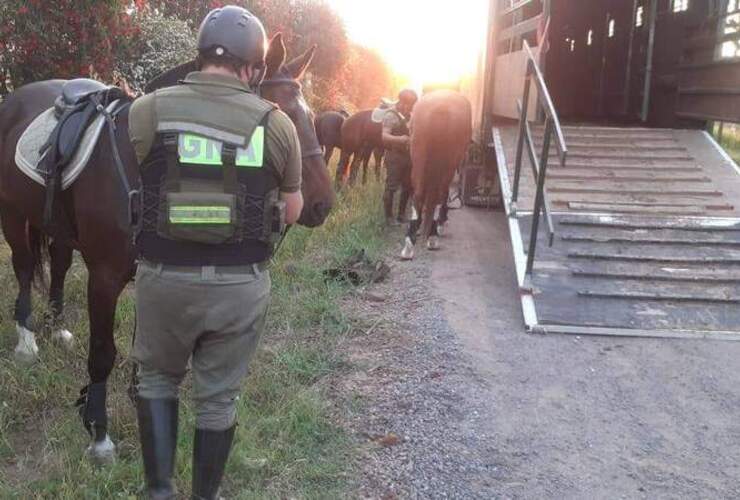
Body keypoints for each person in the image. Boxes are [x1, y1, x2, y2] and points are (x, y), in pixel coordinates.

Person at [127, 6, 303, 499]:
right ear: (254, 67)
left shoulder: (148, 109)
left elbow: (143, 173)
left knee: (158, 378)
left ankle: (159, 491)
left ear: (200, 53)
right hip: (238, 287)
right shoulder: (278, 123)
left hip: (162, 280)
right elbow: (292, 210)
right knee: (218, 397)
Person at [381, 89, 418, 225]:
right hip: (394, 156)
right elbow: (384, 136)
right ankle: (389, 218)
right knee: (391, 187)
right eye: (409, 104)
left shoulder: (409, 115)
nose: (411, 107)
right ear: (402, 102)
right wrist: (400, 139)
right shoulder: (391, 115)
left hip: (408, 156)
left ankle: (401, 215)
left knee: (408, 186)